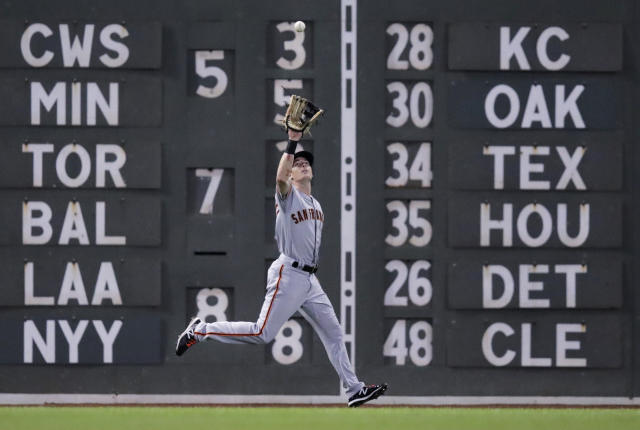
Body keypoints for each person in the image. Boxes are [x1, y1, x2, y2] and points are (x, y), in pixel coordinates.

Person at [176, 128, 387, 407]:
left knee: (334, 333)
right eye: (297, 164)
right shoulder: (287, 197)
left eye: (306, 162)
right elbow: (278, 177)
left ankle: (354, 389)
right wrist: (293, 141)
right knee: (261, 333)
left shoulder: (317, 205)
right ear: (290, 175)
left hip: (310, 280)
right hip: (288, 273)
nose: (303, 164)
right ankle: (200, 331)